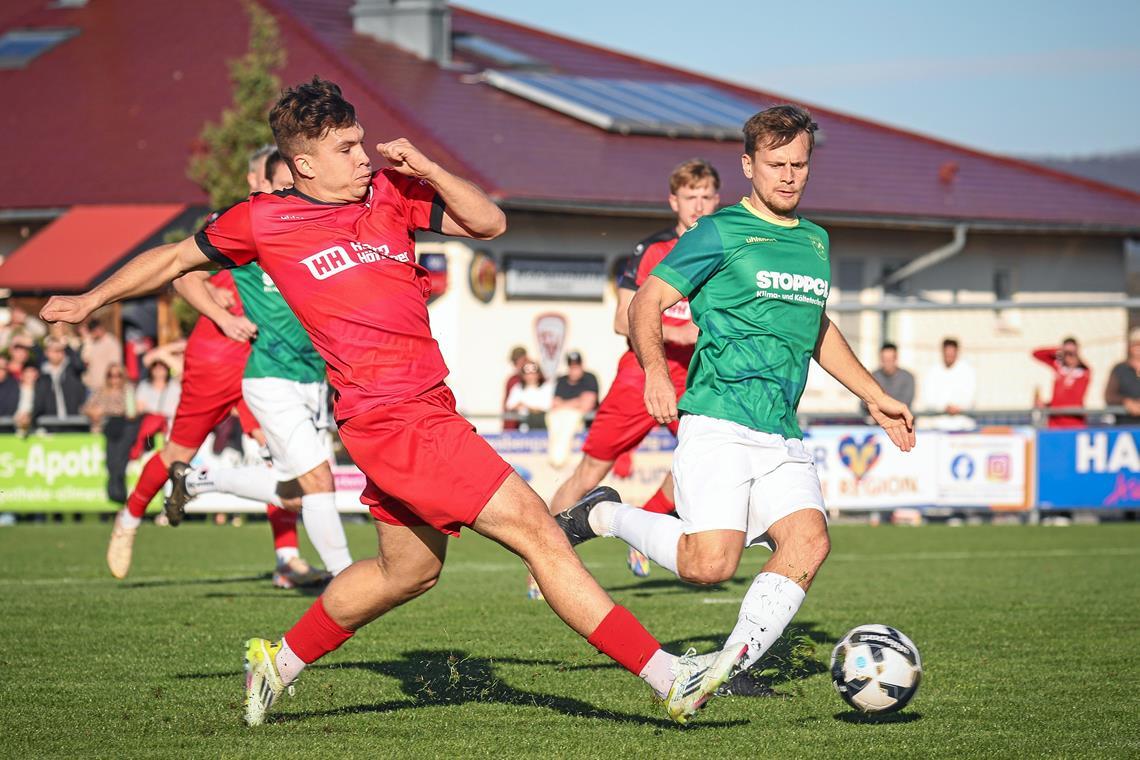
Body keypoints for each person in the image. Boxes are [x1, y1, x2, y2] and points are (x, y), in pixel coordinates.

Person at [40, 78, 731, 727]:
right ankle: (670, 676)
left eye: (361, 141)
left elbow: (488, 222)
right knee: (540, 533)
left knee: (410, 572)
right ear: (304, 165)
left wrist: (427, 166)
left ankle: (275, 664)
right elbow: (171, 259)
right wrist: (88, 299)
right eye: (345, 149)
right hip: (393, 418)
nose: (363, 157)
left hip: (421, 408)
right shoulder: (263, 220)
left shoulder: (391, 193)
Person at [555, 105, 916, 693]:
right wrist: (654, 372)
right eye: (776, 164)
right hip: (718, 420)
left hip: (781, 429)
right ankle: (603, 513)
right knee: (708, 565)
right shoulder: (717, 232)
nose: (790, 176)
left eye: (800, 164)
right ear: (749, 165)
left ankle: (725, 669)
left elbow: (816, 327)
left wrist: (874, 394)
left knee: (808, 541)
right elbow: (645, 302)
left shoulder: (817, 242)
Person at [101, 146, 324, 590]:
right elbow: (184, 273)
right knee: (176, 453)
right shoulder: (234, 221)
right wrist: (222, 313)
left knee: (285, 458)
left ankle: (287, 558)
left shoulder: (301, 222)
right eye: (274, 179)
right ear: (255, 181)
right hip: (219, 356)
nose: (283, 187)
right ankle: (128, 521)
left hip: (269, 360)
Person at [168, 146, 354, 582]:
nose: (294, 188)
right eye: (285, 181)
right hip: (271, 377)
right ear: (270, 183)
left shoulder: (320, 227)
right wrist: (221, 316)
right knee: (320, 481)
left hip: (313, 379)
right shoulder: (253, 227)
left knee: (294, 494)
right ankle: (348, 581)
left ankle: (198, 481)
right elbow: (184, 272)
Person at [547, 159, 720, 578]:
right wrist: (677, 335)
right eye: (689, 196)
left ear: (717, 200)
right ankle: (545, 560)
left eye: (706, 196)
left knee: (703, 459)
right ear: (673, 201)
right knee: (591, 469)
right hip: (641, 374)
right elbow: (623, 320)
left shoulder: (725, 250)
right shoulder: (653, 250)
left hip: (698, 377)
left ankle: (645, 529)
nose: (698, 205)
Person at [83, 364, 138, 504]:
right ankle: (113, 493)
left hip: (124, 429)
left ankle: (120, 494)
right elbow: (86, 408)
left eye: (118, 375)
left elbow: (131, 413)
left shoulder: (128, 390)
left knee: (120, 462)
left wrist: (110, 411)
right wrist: (94, 412)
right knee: (111, 462)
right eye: (111, 375)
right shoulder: (101, 391)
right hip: (107, 429)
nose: (115, 379)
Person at [546, 351, 600, 468]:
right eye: (572, 367)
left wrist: (565, 404)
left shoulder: (589, 378)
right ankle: (557, 459)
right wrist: (577, 401)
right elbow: (555, 404)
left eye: (577, 366)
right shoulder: (562, 380)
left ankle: (559, 459)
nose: (574, 370)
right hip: (563, 422)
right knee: (556, 424)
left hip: (587, 430)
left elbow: (587, 405)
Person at [920, 337, 976, 430]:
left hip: (962, 425)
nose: (949, 356)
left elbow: (970, 397)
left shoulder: (968, 371)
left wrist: (957, 407)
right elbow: (928, 397)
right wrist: (944, 407)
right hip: (937, 426)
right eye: (947, 353)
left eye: (952, 353)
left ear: (957, 352)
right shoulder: (933, 372)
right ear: (942, 352)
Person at [1032, 337, 1089, 428]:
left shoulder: (1084, 372)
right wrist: (1058, 350)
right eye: (1067, 354)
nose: (1069, 357)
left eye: (1072, 354)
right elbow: (1036, 354)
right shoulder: (1059, 368)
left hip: (1074, 421)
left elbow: (1072, 399)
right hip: (1055, 421)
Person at [34, 336, 87, 427]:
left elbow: (80, 365)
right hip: (49, 424)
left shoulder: (71, 369)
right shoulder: (42, 373)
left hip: (73, 423)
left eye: (60, 350)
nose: (58, 353)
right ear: (47, 353)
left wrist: (67, 346)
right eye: (54, 350)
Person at [861, 343, 915, 413]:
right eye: (884, 360)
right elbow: (864, 402)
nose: (887, 363)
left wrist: (879, 403)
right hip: (875, 421)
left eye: (889, 360)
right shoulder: (873, 376)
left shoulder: (907, 377)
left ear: (896, 359)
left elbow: (905, 403)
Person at [504, 360, 552, 431]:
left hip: (542, 423)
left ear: (538, 374)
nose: (530, 376)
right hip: (523, 423)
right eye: (527, 374)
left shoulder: (546, 387)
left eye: (533, 373)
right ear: (523, 375)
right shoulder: (518, 388)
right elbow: (509, 405)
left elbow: (546, 406)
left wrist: (527, 407)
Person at [1105, 328, 1140, 425]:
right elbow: (1109, 396)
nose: (1138, 348)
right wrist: (1126, 402)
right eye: (1135, 344)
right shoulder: (1120, 369)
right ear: (1130, 347)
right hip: (1125, 426)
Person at [80, 318, 123, 393]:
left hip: (106, 387)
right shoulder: (91, 343)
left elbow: (115, 366)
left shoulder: (112, 343)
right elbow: (85, 359)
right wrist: (88, 341)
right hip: (91, 386)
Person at [501, 345, 528, 431]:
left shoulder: (538, 378)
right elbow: (507, 406)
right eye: (515, 362)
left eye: (521, 361)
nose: (518, 365)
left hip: (532, 427)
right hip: (513, 427)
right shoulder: (512, 380)